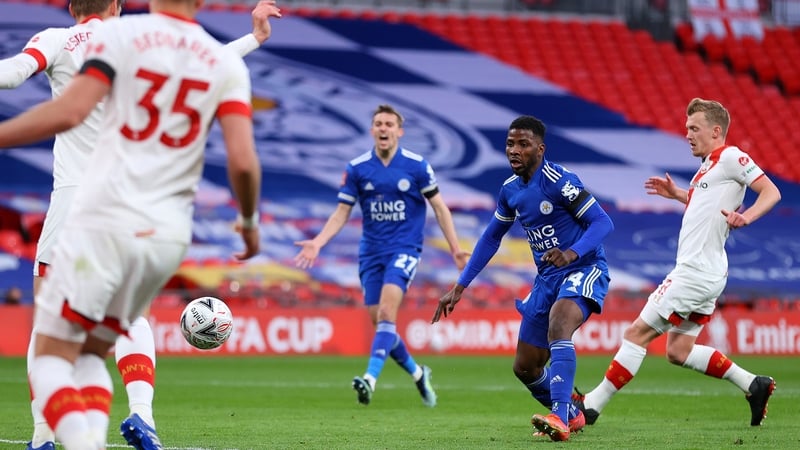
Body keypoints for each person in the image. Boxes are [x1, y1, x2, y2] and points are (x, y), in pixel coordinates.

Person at [0, 1, 280, 448]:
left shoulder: (79, 39)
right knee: (129, 322)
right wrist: (253, 39)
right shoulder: (172, 49)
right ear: (117, 5)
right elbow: (213, 65)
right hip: (151, 211)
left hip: (78, 203)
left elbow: (15, 76)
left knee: (51, 335)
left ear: (72, 6)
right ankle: (142, 414)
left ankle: (44, 436)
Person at [572, 98, 781, 428]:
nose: (688, 135)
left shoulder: (731, 157)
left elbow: (771, 191)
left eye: (694, 128)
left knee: (636, 333)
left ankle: (591, 407)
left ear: (716, 131)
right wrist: (678, 194)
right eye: (687, 128)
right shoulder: (708, 168)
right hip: (709, 271)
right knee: (679, 351)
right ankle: (753, 384)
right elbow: (705, 204)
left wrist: (747, 216)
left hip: (694, 272)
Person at [433, 115, 614, 442]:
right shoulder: (510, 190)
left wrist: (571, 253)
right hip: (547, 279)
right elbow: (491, 238)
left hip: (583, 269)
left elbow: (602, 222)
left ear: (540, 149)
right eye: (509, 144)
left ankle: (558, 416)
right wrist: (460, 286)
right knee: (526, 367)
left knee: (560, 321)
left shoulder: (560, 181)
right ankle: (572, 414)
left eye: (523, 144)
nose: (514, 150)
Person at [294, 104, 470, 408]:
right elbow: (342, 212)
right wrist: (318, 242)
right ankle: (418, 374)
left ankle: (369, 379)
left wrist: (455, 248)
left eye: (389, 124)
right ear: (372, 130)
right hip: (371, 253)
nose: (383, 128)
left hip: (405, 249)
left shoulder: (417, 166)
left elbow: (440, 207)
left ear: (399, 131)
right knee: (382, 324)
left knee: (388, 313)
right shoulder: (357, 168)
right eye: (378, 124)